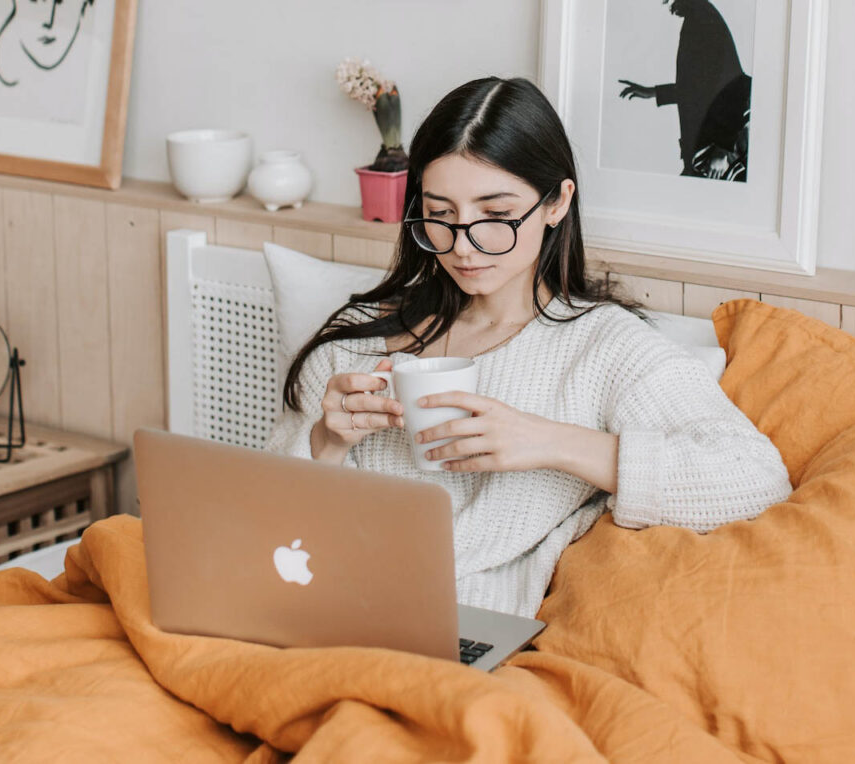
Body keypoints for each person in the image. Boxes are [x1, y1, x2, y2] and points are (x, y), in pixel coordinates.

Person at [264, 76, 792, 618]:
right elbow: (265, 524)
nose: (465, 245)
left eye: (495, 216)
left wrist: (549, 442)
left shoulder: (603, 349)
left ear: (557, 203)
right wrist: (326, 442)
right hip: (314, 608)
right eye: (441, 215)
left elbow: (755, 478)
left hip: (458, 633)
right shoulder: (353, 344)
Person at [617, 0, 751, 179]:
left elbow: (735, 86)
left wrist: (722, 150)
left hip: (717, 156)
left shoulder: (702, 16)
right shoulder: (697, 16)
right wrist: (654, 92)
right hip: (707, 151)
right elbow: (699, 88)